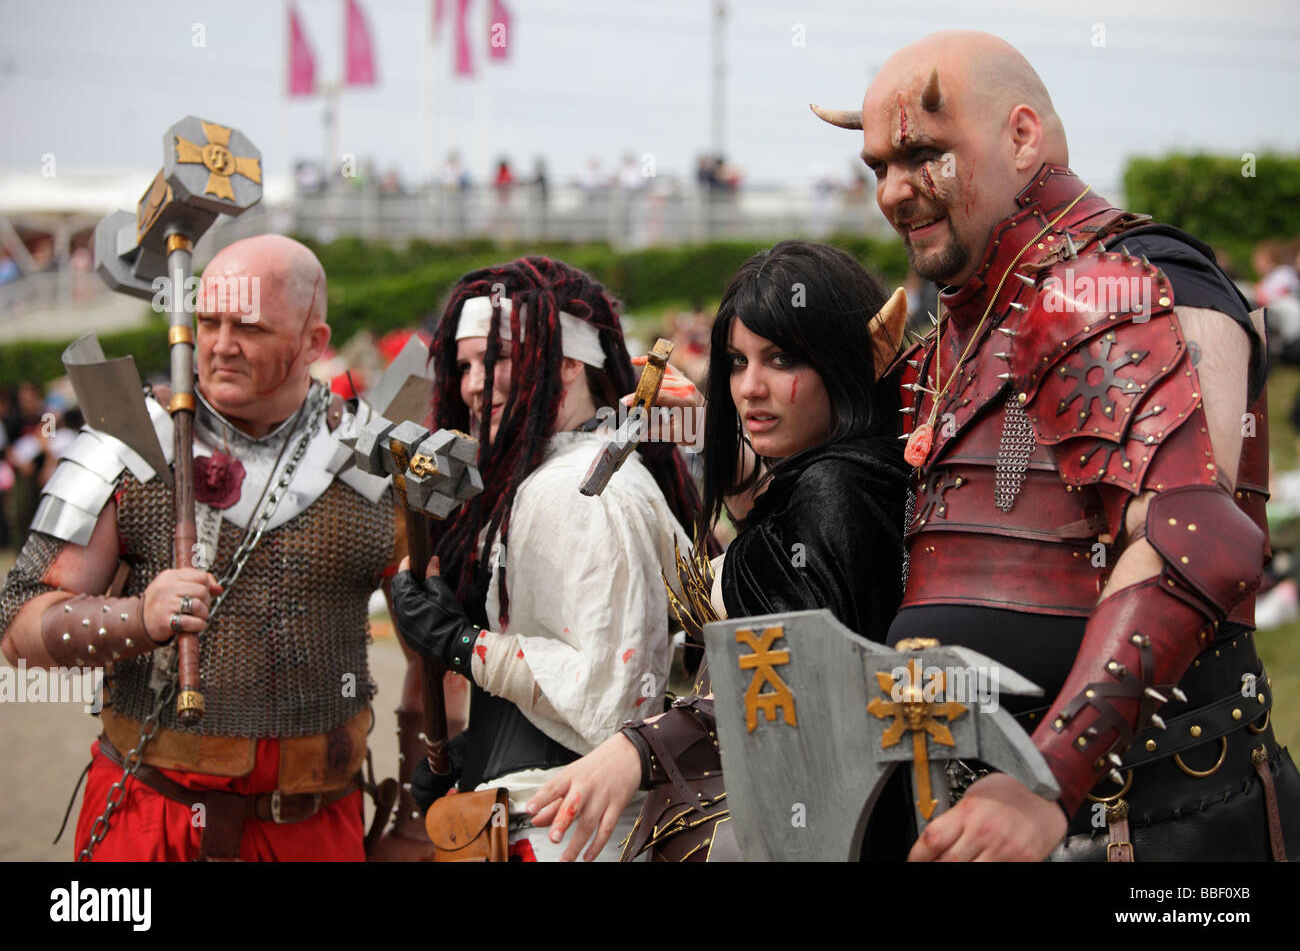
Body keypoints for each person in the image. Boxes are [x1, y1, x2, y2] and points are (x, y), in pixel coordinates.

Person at [811, 29, 1297, 860]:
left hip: (1151, 832)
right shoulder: (947, 340)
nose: (893, 192)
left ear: (1022, 137)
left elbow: (1196, 538)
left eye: (922, 154)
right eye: (878, 167)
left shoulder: (1134, 279)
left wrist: (1047, 776)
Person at [0, 234, 401, 861]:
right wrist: (137, 618)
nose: (219, 345)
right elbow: (19, 627)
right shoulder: (128, 444)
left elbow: (432, 649)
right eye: (207, 321)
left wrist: (416, 813)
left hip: (316, 828)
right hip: (152, 821)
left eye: (248, 326)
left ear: (314, 343)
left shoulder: (370, 461)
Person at [526, 240, 912, 861]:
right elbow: (785, 552)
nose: (750, 388)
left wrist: (641, 748)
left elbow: (801, 668)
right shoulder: (834, 473)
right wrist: (728, 458)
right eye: (736, 361)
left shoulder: (839, 483)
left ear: (849, 358)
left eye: (781, 358)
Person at [389, 255, 703, 861]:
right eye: (464, 366)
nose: (476, 383)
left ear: (565, 363)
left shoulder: (583, 491)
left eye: (498, 358)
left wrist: (459, 644)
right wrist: (475, 749)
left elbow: (612, 700)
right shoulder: (549, 477)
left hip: (569, 838)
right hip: (537, 823)